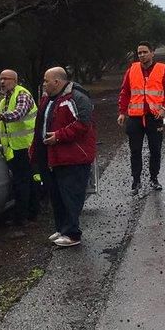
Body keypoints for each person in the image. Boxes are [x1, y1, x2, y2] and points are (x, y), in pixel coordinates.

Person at [33, 67, 96, 248]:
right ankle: (62, 228)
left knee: (71, 194)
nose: (43, 84)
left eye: (46, 81)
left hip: (73, 156)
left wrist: (59, 135)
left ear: (57, 82)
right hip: (51, 155)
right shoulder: (47, 99)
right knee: (57, 194)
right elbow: (41, 125)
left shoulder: (77, 97)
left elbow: (84, 123)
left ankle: (72, 233)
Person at [0, 69, 38, 233]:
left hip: (25, 147)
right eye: (0, 79)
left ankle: (26, 217)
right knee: (20, 183)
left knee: (25, 183)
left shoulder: (22, 94)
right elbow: (4, 126)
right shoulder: (3, 102)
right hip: (12, 149)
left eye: (6, 79)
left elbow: (19, 113)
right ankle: (23, 216)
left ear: (14, 80)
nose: (2, 82)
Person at [117, 42, 165, 194]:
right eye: (139, 52)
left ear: (152, 53)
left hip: (154, 117)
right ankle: (136, 181)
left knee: (155, 150)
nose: (141, 55)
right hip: (135, 117)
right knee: (135, 150)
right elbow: (125, 92)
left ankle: (154, 178)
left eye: (144, 52)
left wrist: (163, 108)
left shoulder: (162, 69)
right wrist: (122, 112)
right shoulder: (132, 70)